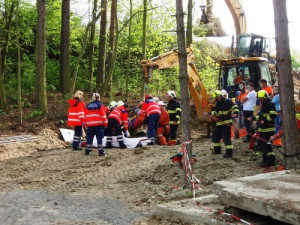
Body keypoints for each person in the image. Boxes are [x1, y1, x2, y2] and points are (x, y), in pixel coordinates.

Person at [210, 90, 239, 158]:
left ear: (221, 95)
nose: (218, 98)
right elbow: (216, 113)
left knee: (226, 138)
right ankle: (217, 151)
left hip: (226, 123)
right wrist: (210, 114)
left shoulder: (227, 101)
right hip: (219, 123)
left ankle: (229, 153)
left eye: (219, 96)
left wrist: (235, 112)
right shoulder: (217, 104)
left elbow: (235, 107)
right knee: (215, 137)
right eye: (217, 97)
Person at [254, 90, 277, 167]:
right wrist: (253, 118)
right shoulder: (263, 105)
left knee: (267, 147)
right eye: (259, 99)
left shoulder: (270, 104)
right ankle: (265, 161)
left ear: (265, 97)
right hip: (262, 130)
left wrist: (265, 120)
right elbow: (261, 116)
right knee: (262, 146)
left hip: (268, 130)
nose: (260, 100)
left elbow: (273, 115)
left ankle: (270, 162)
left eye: (262, 98)